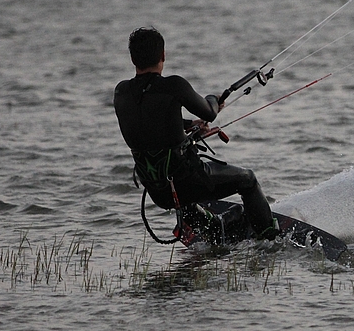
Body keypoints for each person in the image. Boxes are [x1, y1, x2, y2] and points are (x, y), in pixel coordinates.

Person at [113, 27, 277, 241]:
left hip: (159, 191)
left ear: (133, 59)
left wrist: (189, 124)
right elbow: (209, 112)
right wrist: (212, 98)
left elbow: (149, 122)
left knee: (183, 186)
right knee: (248, 179)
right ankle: (270, 239)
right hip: (188, 181)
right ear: (163, 55)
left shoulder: (121, 92)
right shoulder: (173, 85)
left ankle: (215, 228)